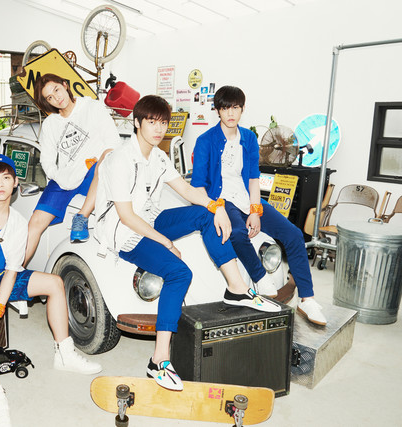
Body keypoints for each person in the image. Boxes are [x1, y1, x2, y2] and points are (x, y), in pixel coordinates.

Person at [94, 95, 281, 392]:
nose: (159, 129)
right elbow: (126, 217)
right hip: (124, 232)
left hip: (150, 219)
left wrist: (217, 206)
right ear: (137, 123)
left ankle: (237, 289)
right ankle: (158, 360)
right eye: (152, 122)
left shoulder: (158, 157)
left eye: (163, 123)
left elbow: (188, 190)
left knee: (204, 215)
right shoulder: (120, 159)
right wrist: (165, 242)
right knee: (179, 273)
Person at [0, 154, 102, 427]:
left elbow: (12, 271)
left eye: (6, 178)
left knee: (54, 283)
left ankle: (64, 354)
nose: (0, 184)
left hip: (0, 279)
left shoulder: (17, 222)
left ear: (15, 183)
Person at [191, 85, 327, 326]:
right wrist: (215, 208)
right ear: (218, 111)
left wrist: (255, 211)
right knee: (237, 232)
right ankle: (260, 277)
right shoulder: (205, 141)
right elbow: (198, 185)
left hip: (247, 198)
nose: (230, 113)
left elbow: (254, 178)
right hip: (221, 201)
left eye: (235, 108)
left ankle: (307, 299)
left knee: (294, 234)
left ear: (242, 109)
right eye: (225, 108)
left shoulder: (249, 138)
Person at [25, 73, 119, 265]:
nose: (57, 98)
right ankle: (14, 272)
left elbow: (113, 143)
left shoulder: (92, 107)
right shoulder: (51, 124)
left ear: (65, 85)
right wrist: (58, 176)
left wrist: (98, 160)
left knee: (107, 158)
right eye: (50, 97)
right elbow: (47, 160)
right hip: (65, 178)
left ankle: (81, 217)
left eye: (57, 89)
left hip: (94, 174)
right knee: (34, 223)